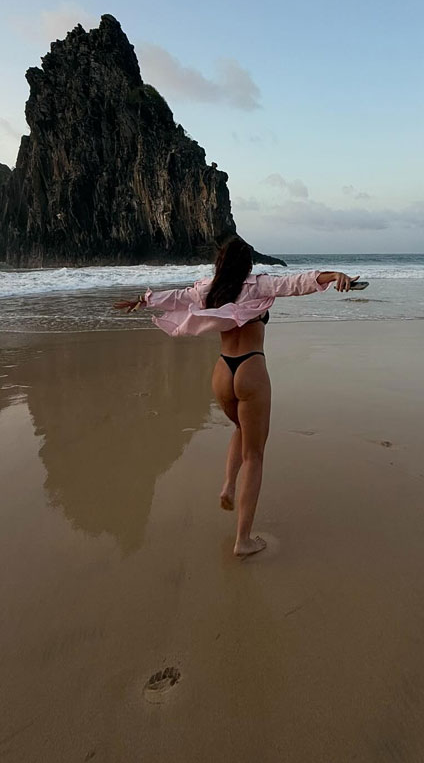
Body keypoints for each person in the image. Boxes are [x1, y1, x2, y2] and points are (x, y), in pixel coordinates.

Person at [114, 236, 357, 557]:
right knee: (255, 456)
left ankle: (228, 485)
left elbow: (175, 298)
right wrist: (335, 276)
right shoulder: (259, 285)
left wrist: (143, 300)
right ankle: (243, 540)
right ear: (248, 263)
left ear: (221, 262)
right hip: (251, 371)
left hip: (222, 372)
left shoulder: (208, 289)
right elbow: (298, 283)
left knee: (241, 430)